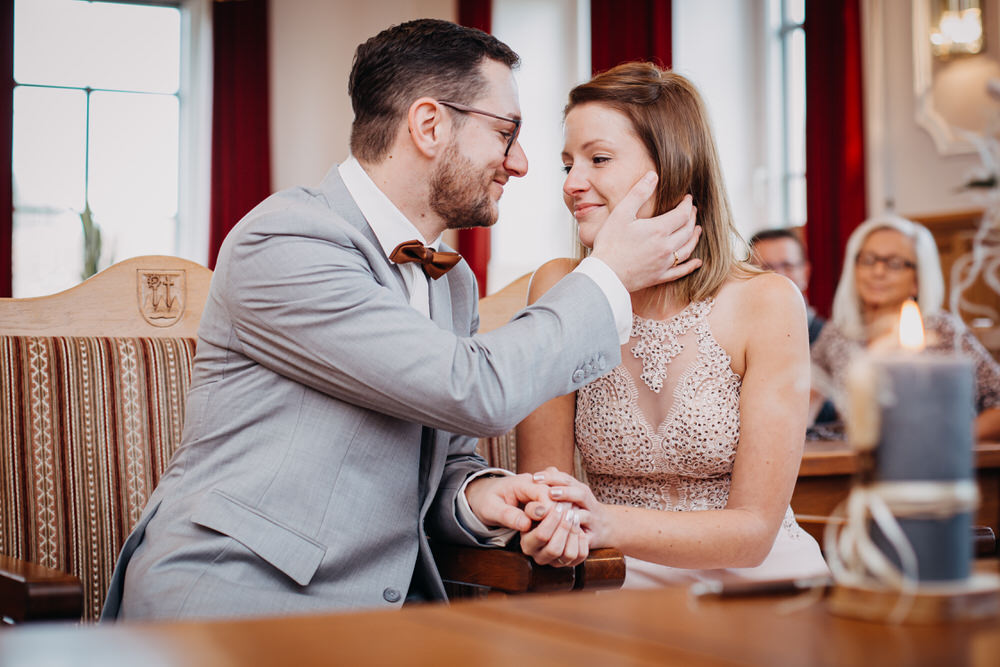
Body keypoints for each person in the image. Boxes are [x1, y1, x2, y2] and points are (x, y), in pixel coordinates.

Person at [99, 19, 702, 621]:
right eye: (506, 132)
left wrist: (481, 495)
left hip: (387, 619)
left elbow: (443, 463)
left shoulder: (453, 282)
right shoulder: (285, 239)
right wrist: (608, 274)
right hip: (233, 599)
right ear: (430, 124)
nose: (519, 163)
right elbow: (471, 388)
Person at [515, 62, 828, 588]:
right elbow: (545, 494)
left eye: (598, 159)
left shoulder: (767, 302)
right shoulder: (558, 286)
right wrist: (557, 528)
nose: (573, 184)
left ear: (673, 164)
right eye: (567, 165)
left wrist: (605, 520)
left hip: (757, 579)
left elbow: (754, 533)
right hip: (607, 573)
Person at [810, 215, 1000, 438]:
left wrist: (952, 439)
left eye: (895, 263)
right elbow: (808, 392)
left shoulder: (941, 329)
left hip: (936, 461)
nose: (878, 272)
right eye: (869, 260)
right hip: (862, 463)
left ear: (917, 280)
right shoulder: (838, 332)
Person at [749, 228, 825, 344]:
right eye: (766, 268)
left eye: (787, 266)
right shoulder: (734, 337)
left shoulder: (827, 338)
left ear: (806, 272)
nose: (779, 275)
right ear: (748, 274)